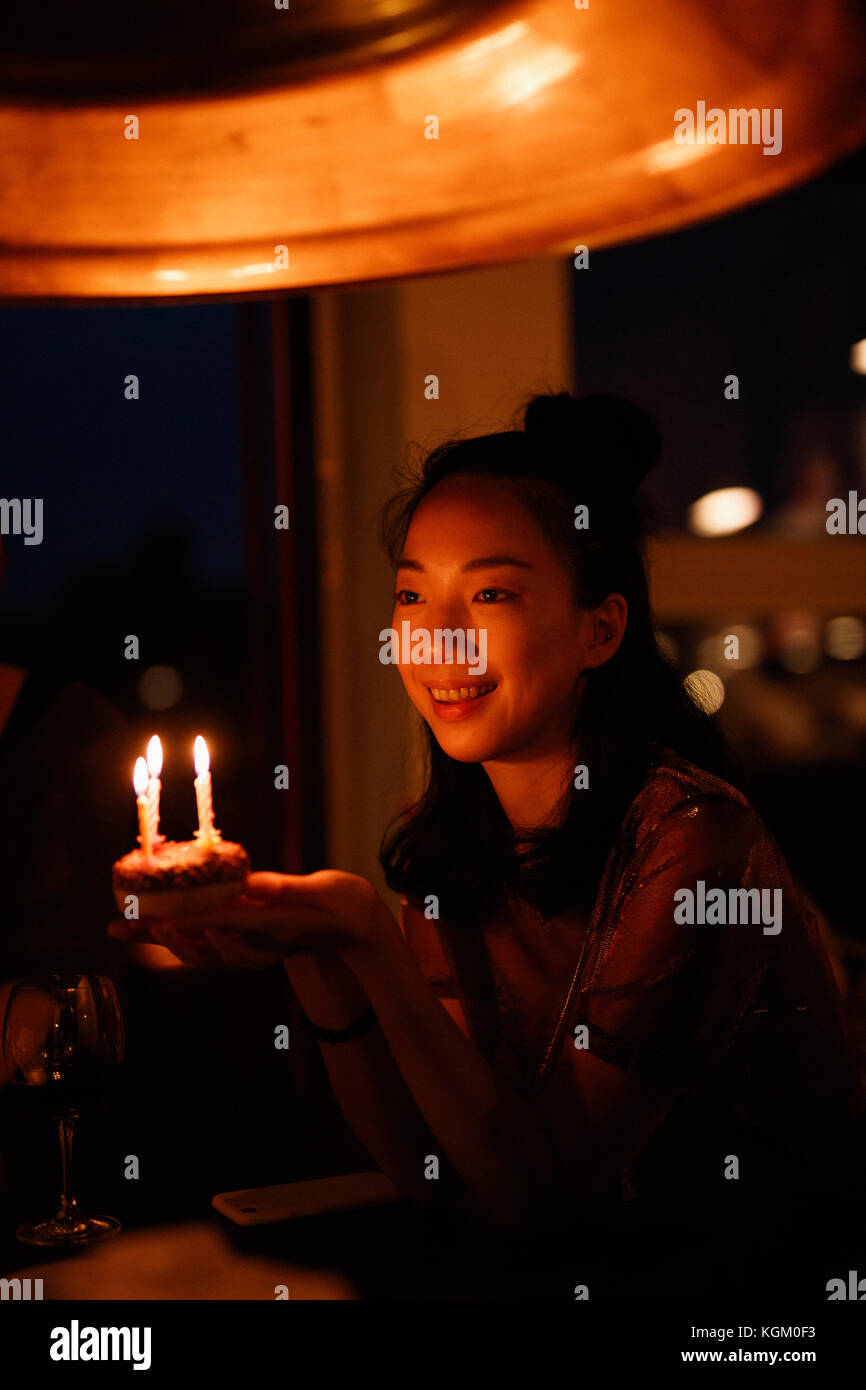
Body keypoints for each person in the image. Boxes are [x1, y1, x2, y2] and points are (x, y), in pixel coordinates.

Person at [111, 393, 864, 1270]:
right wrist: (319, 959)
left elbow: (533, 1197)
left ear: (600, 628)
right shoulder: (448, 843)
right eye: (412, 594)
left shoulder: (697, 842)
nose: (436, 638)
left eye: (492, 591)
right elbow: (440, 1173)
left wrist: (365, 933)